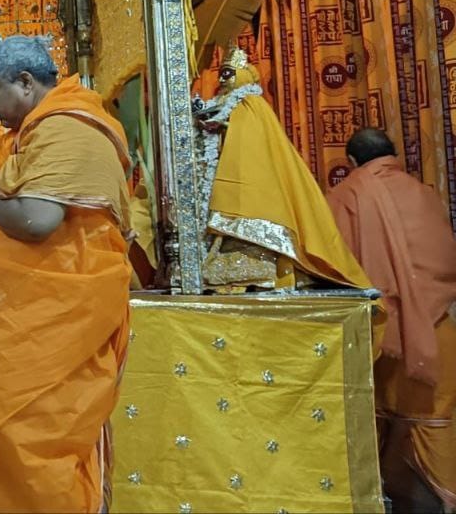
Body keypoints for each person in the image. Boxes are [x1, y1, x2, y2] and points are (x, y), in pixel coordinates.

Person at [0, 36, 132, 512]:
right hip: (45, 310)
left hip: (61, 313)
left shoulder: (68, 129)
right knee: (29, 432)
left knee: (39, 436)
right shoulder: (53, 127)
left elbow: (37, 222)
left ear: (25, 82)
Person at [326, 128, 456, 512]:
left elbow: (337, 267)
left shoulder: (345, 195)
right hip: (439, 328)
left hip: (386, 334)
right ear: (393, 153)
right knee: (437, 418)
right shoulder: (423, 191)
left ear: (351, 162)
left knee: (380, 416)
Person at [195, 47, 369, 291]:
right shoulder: (224, 103)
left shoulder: (250, 104)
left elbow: (250, 144)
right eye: (221, 74)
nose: (223, 79)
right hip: (225, 175)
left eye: (229, 73)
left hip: (253, 177)